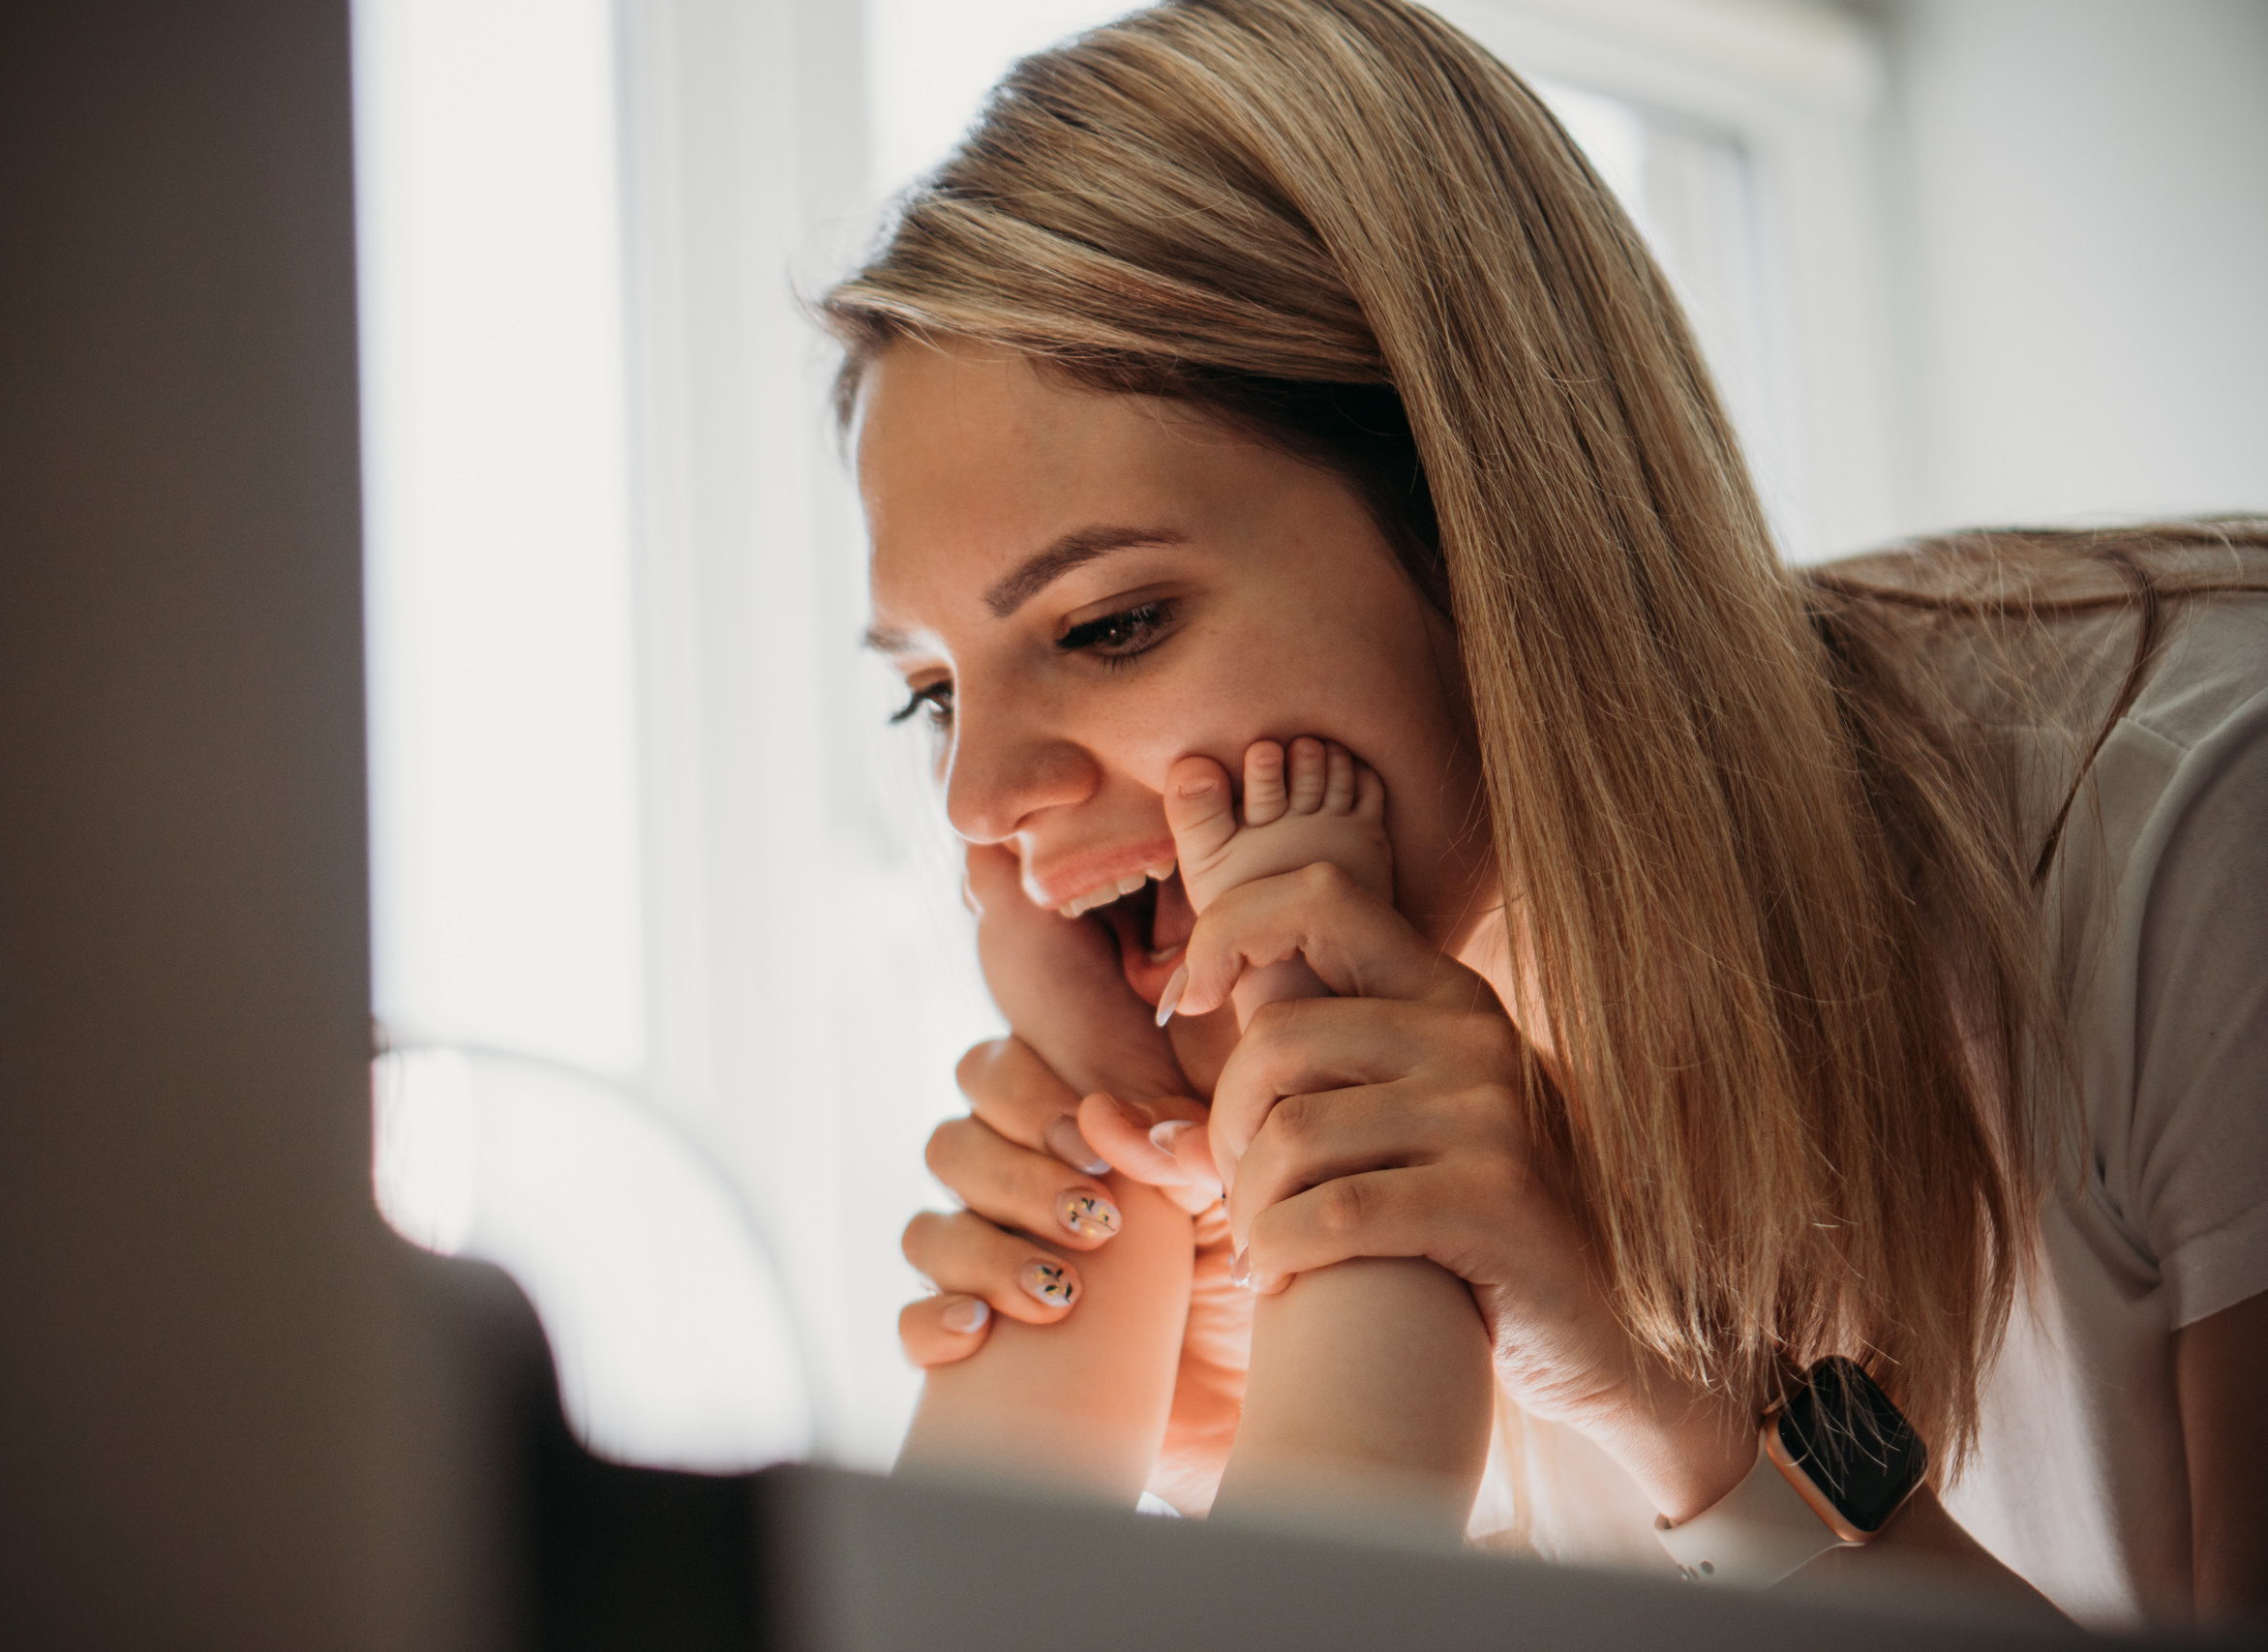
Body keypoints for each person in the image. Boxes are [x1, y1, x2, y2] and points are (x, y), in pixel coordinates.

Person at [822, 0, 2268, 1628]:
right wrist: (1202, 1360)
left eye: (1109, 627)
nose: (981, 804)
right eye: (934, 692)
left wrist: (1688, 1422)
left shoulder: (2204, 835)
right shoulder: (1368, 1068)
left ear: (1487, 518)